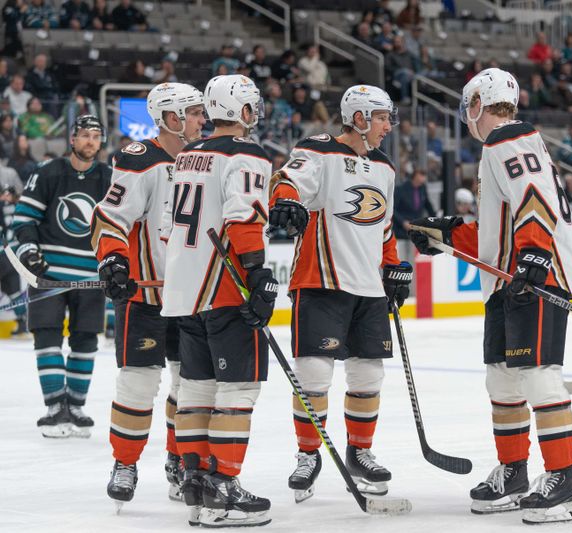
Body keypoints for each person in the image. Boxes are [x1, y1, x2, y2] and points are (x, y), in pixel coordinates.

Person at [408, 68, 572, 524]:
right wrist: (450, 234)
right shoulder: (511, 144)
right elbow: (498, 232)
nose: (468, 115)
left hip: (534, 279)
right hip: (511, 281)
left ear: (478, 104)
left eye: (469, 106)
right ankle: (514, 472)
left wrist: (533, 258)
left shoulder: (506, 139)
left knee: (539, 378)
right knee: (503, 380)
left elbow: (534, 200)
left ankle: (564, 480)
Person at [268, 84, 411, 503]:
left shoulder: (384, 166)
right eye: (383, 117)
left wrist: (393, 268)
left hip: (369, 288)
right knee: (313, 375)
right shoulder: (318, 150)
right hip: (321, 281)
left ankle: (360, 452)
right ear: (361, 118)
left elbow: (383, 225)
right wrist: (288, 202)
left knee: (368, 375)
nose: (389, 126)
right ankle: (308, 454)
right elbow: (286, 181)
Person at [160, 75, 276, 528]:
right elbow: (244, 220)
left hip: (186, 291)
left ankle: (195, 483)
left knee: (196, 388)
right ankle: (224, 488)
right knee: (237, 389)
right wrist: (259, 277)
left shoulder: (188, 154)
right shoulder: (248, 154)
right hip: (225, 288)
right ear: (243, 111)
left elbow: (170, 227)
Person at [90, 83, 206, 507]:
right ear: (172, 119)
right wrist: (114, 260)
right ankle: (125, 461)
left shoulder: (205, 162)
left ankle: (179, 460)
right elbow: (109, 215)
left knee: (190, 385)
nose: (201, 119)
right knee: (138, 384)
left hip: (193, 297)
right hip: (146, 297)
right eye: (193, 113)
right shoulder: (141, 159)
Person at [10, 115, 112, 438]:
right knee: (47, 335)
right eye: (85, 135)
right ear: (72, 138)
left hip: (91, 277)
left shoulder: (110, 178)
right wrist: (28, 248)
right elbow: (23, 218)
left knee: (86, 339)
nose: (90, 141)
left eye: (96, 136)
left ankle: (76, 406)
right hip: (48, 275)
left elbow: (121, 224)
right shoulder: (48, 172)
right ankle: (55, 406)